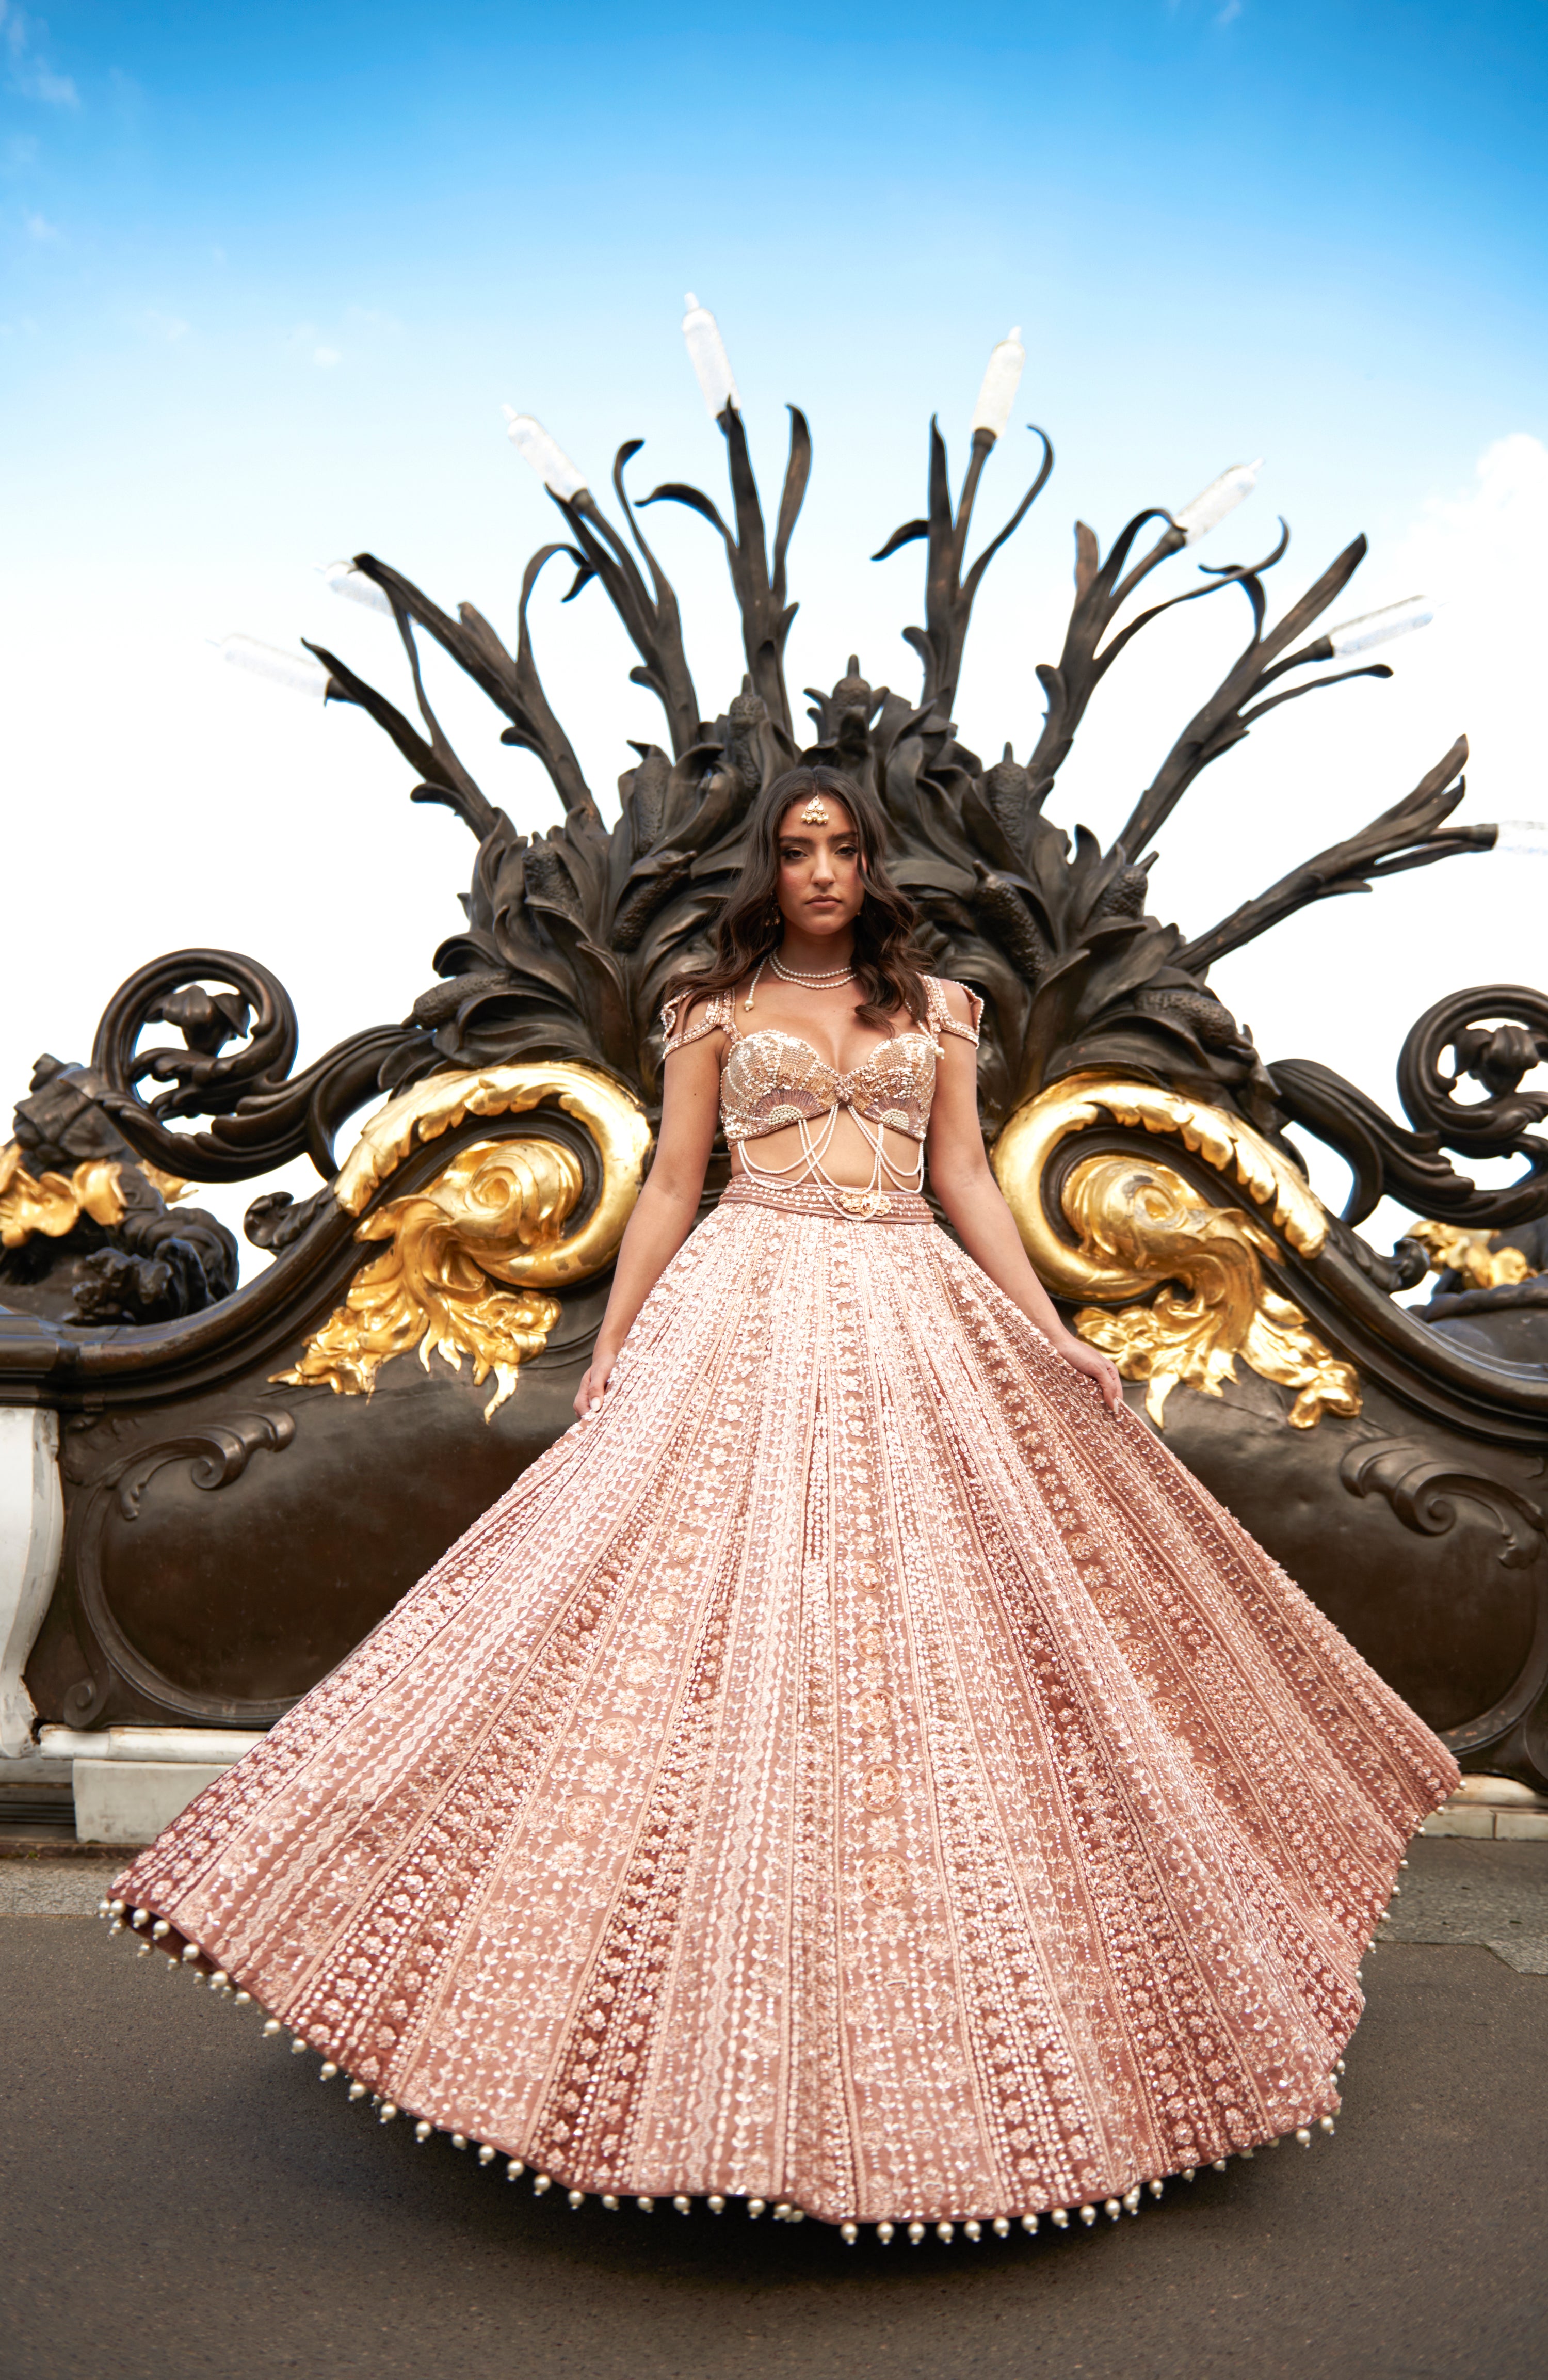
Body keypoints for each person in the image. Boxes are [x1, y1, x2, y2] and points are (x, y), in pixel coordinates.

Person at [102, 764, 1456, 2243]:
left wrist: (1056, 1330)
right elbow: (674, 1183)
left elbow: (969, 1182)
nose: (821, 868)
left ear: (873, 867)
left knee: (928, 1643)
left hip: (903, 1301)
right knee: (649, 1618)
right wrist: (616, 1341)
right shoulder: (709, 1005)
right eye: (799, 847)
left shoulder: (939, 1010)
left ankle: (945, 2065)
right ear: (772, 865)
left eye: (844, 847)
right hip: (737, 1302)